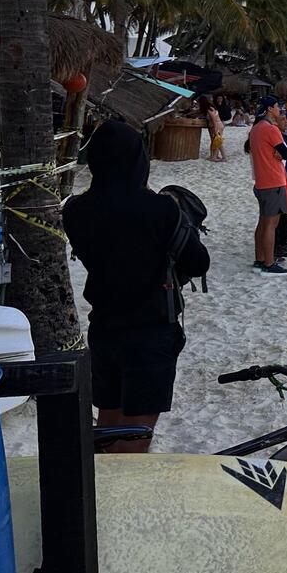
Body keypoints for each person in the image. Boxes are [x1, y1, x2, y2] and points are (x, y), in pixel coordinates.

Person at [63, 121, 211, 451]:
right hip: (150, 330)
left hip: (104, 327)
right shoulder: (161, 210)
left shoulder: (75, 210)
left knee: (108, 422)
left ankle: (97, 494)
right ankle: (118, 497)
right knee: (136, 434)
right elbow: (198, 263)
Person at [249, 96, 287, 274]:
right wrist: (279, 153)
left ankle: (261, 258)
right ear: (269, 109)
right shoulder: (270, 129)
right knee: (271, 224)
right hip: (273, 180)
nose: (279, 109)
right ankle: (268, 262)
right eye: (277, 106)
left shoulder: (256, 129)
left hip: (261, 181)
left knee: (263, 222)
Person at [198, 95, 225, 162]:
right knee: (216, 141)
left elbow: (214, 120)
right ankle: (214, 156)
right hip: (217, 125)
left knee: (217, 141)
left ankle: (216, 157)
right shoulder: (211, 107)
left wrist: (215, 130)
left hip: (217, 125)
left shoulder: (209, 109)